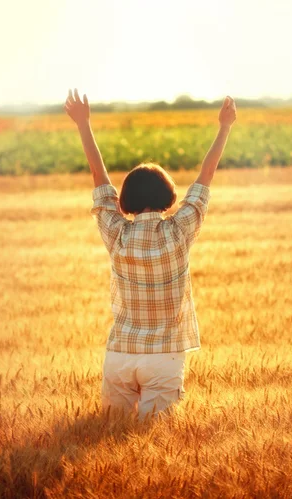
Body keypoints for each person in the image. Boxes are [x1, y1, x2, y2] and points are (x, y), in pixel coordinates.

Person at [64, 89, 237, 419]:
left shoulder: (117, 232)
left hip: (120, 354)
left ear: (125, 200)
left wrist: (83, 124)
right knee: (153, 439)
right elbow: (205, 178)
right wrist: (224, 127)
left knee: (109, 435)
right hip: (164, 357)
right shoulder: (179, 229)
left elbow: (100, 180)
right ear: (169, 197)